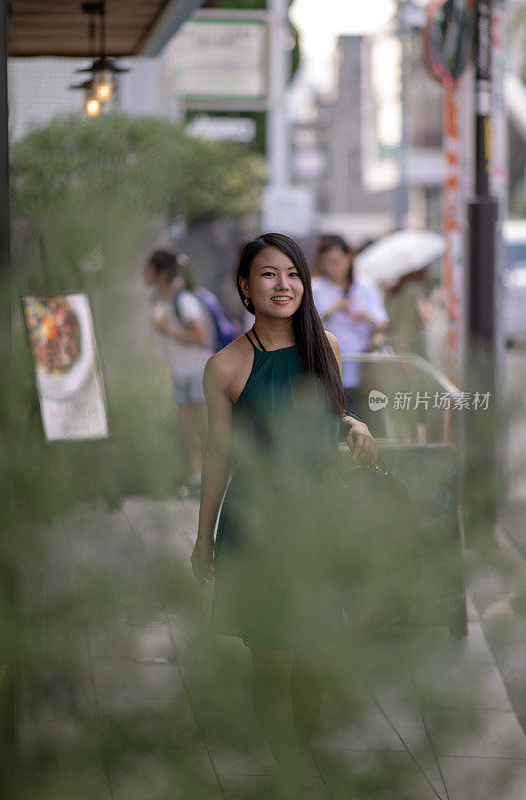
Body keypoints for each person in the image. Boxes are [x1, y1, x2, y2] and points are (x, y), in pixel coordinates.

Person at [191, 233, 378, 799]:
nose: (284, 284)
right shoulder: (224, 366)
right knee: (273, 662)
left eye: (293, 273)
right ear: (245, 287)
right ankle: (292, 769)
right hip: (257, 528)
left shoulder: (328, 346)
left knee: (316, 655)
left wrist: (357, 426)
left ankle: (295, 757)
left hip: (319, 524)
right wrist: (204, 538)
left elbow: (331, 416)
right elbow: (218, 455)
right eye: (268, 274)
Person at [144, 248, 212, 496]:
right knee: (188, 432)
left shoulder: (183, 300)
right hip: (178, 372)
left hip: (196, 371)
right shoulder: (157, 299)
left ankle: (214, 479)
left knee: (204, 430)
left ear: (161, 272)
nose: (145, 273)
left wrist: (168, 329)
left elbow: (200, 337)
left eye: (149, 268)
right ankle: (196, 479)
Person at [311, 234, 388, 417]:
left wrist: (365, 317)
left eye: (337, 261)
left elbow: (382, 323)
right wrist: (332, 310)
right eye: (328, 262)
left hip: (363, 369)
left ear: (349, 258)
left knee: (363, 418)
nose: (333, 268)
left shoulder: (365, 286)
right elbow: (308, 325)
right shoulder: (316, 288)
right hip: (329, 368)